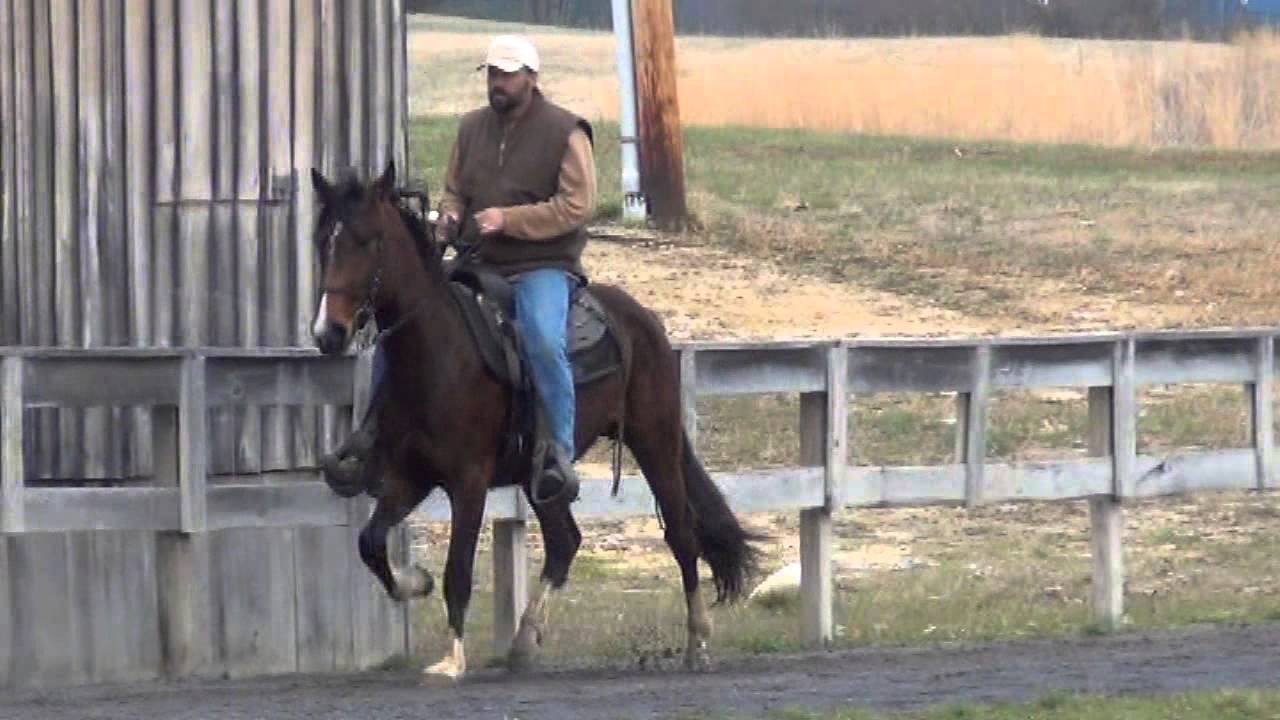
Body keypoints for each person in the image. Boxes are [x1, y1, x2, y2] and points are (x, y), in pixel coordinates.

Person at [320, 34, 596, 505]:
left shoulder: (566, 132)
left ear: (531, 78)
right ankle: (371, 438)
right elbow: (456, 191)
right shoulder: (471, 129)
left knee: (545, 340)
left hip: (542, 264)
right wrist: (449, 218)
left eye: (508, 74)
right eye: (493, 74)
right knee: (402, 329)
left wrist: (510, 219)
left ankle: (558, 454)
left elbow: (578, 205)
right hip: (479, 261)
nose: (498, 83)